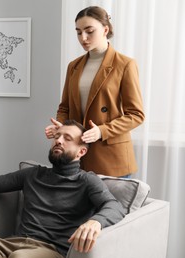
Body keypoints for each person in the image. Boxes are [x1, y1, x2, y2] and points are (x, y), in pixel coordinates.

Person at [0, 120, 125, 258]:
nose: (58, 141)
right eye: (57, 136)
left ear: (81, 151)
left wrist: (95, 222)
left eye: (67, 138)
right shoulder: (33, 174)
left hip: (51, 251)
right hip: (13, 243)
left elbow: (114, 206)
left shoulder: (87, 181)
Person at [45, 6, 145, 178]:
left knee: (110, 205)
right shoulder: (73, 66)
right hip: (77, 154)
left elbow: (136, 115)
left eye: (89, 31)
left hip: (110, 156)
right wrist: (60, 127)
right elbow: (65, 107)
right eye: (78, 32)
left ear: (105, 29)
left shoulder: (125, 64)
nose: (83, 38)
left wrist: (102, 131)